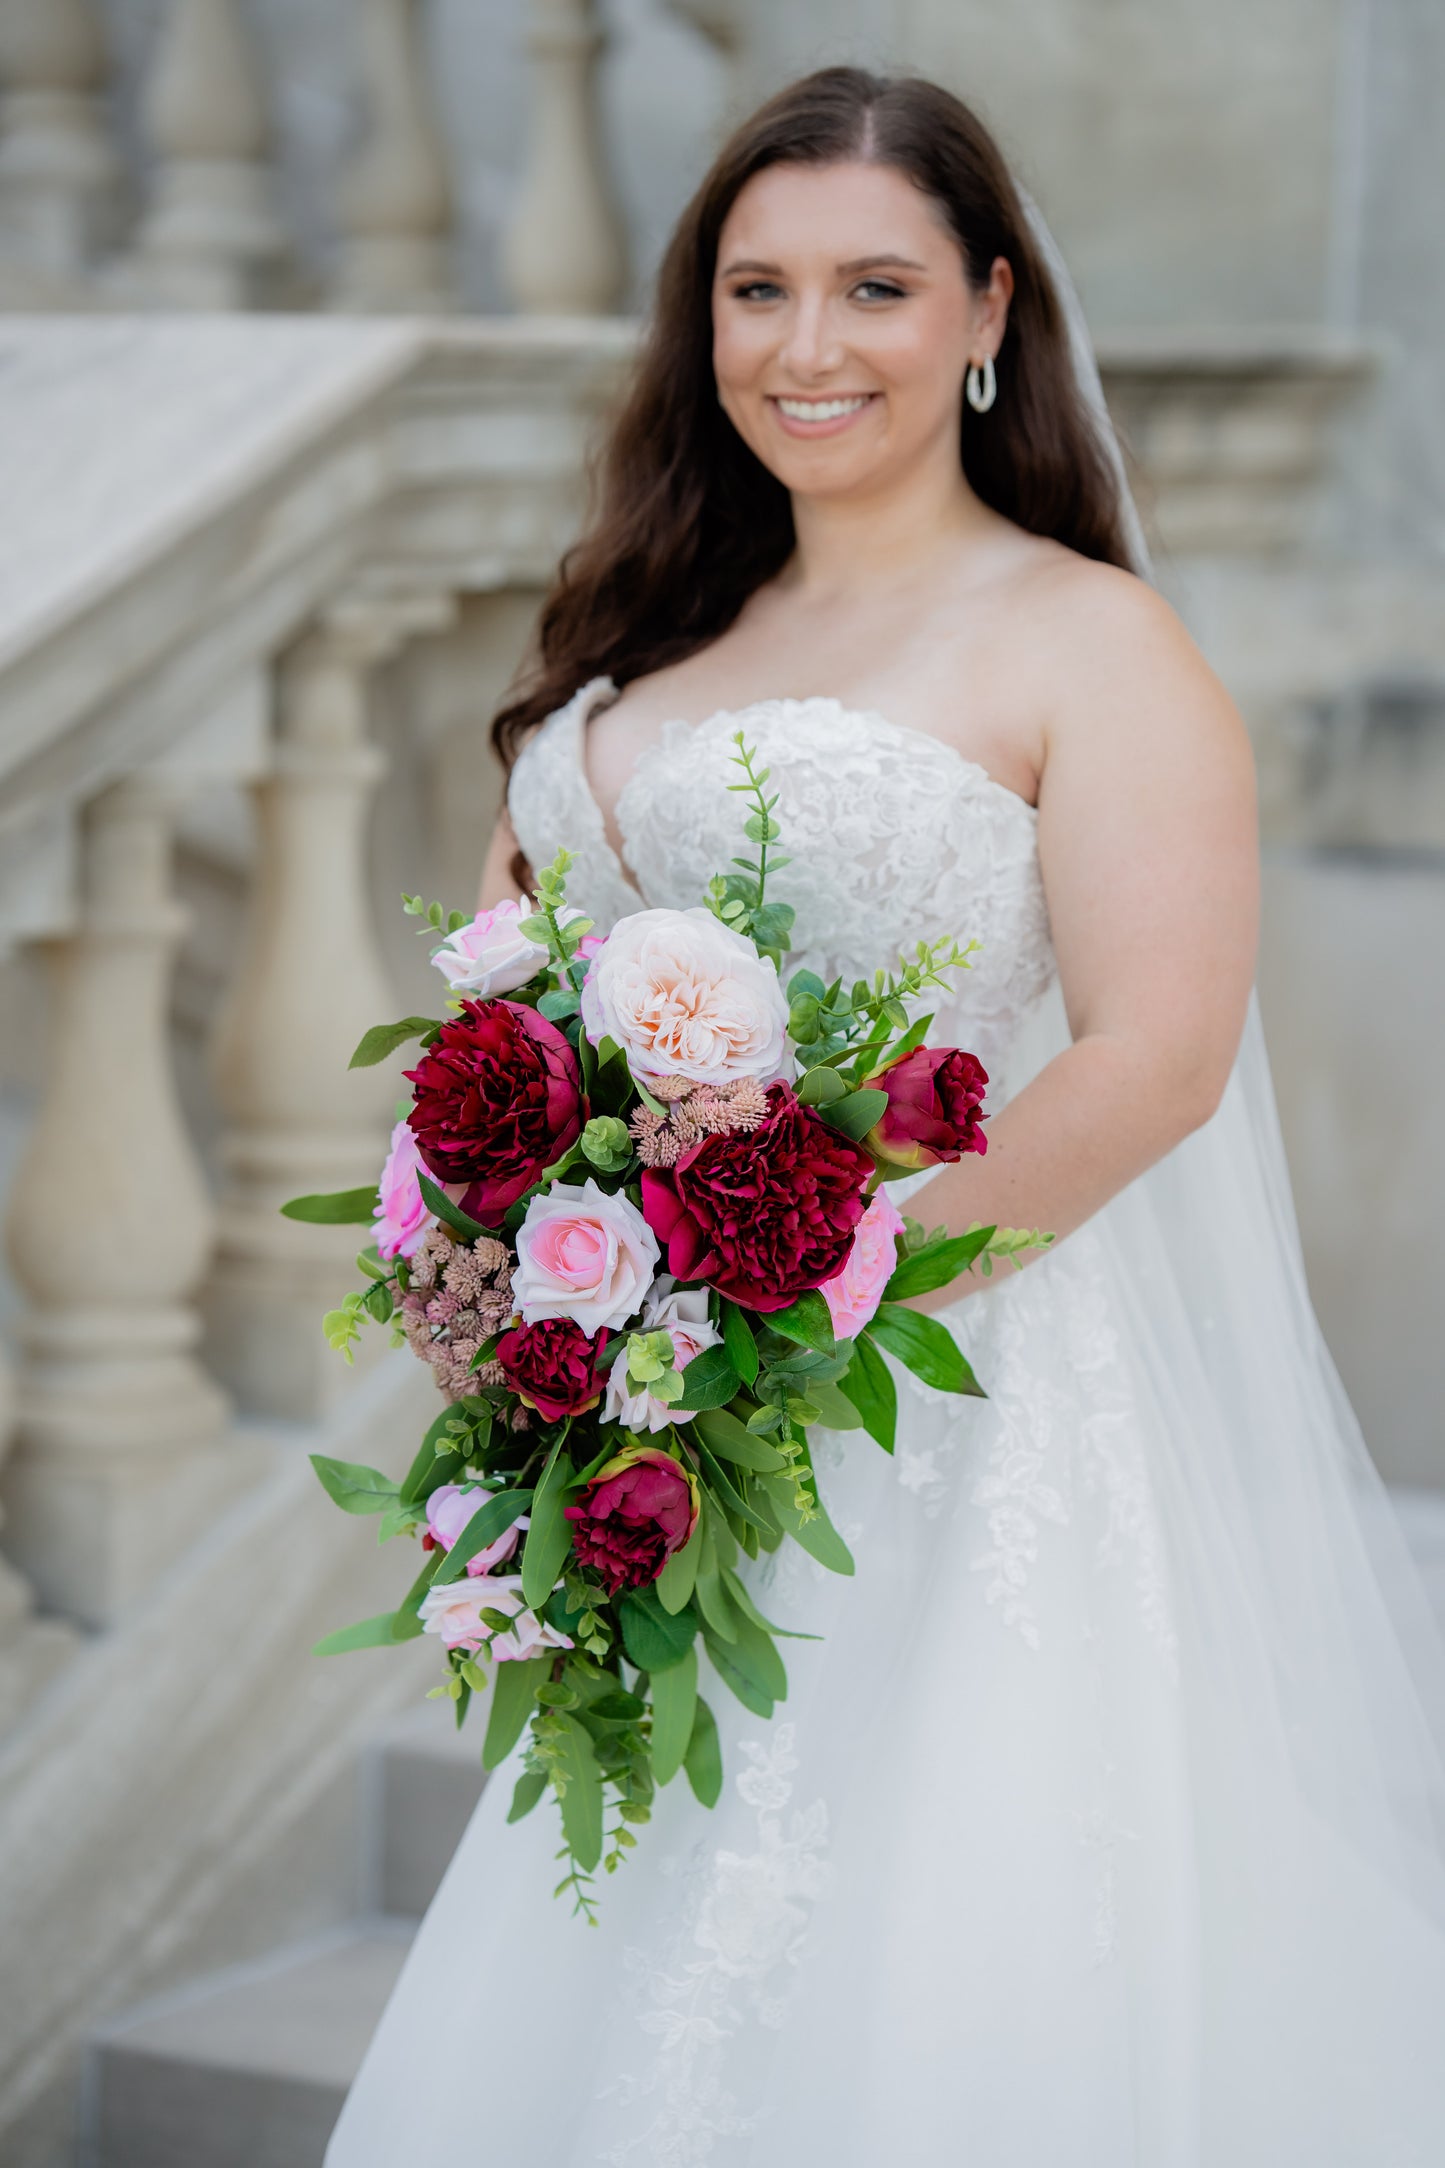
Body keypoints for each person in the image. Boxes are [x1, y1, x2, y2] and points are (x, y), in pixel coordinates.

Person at [326, 67, 1445, 2166]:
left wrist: (793, 1297)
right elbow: (509, 1006)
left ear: (989, 310)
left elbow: (1154, 1056)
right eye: (757, 291)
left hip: (960, 1395)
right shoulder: (638, 634)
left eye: (875, 287)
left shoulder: (1088, 640)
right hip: (661, 1431)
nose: (808, 347)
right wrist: (510, 1271)